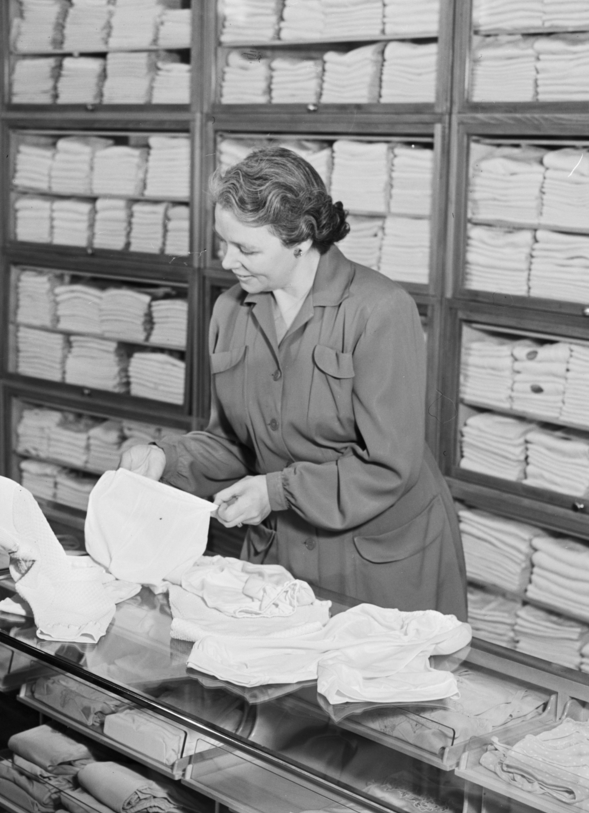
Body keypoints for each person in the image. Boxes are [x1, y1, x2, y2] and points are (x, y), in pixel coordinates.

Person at [120, 147, 466, 618]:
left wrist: (275, 492)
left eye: (246, 249)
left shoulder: (379, 310)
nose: (227, 260)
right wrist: (167, 458)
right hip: (282, 554)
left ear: (301, 239)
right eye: (223, 243)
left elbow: (390, 466)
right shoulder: (230, 310)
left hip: (378, 560)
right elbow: (237, 444)